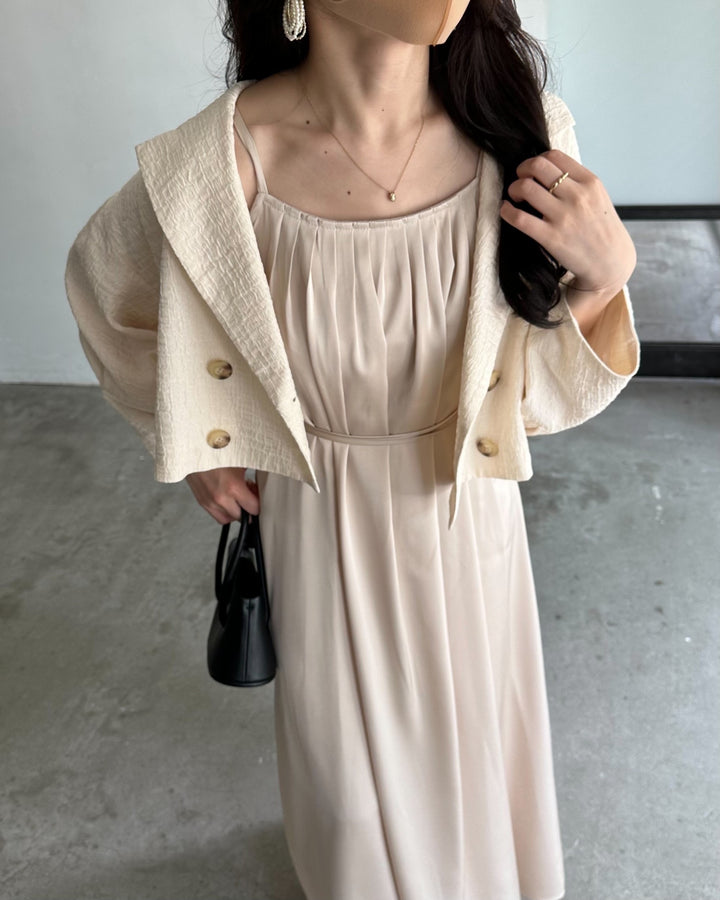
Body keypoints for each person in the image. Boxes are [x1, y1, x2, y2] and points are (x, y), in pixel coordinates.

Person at [65, 1, 640, 897]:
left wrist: (604, 281)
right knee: (349, 806)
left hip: (467, 523)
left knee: (478, 757)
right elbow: (106, 289)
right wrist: (193, 434)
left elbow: (529, 398)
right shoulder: (221, 161)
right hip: (318, 524)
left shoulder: (520, 139)